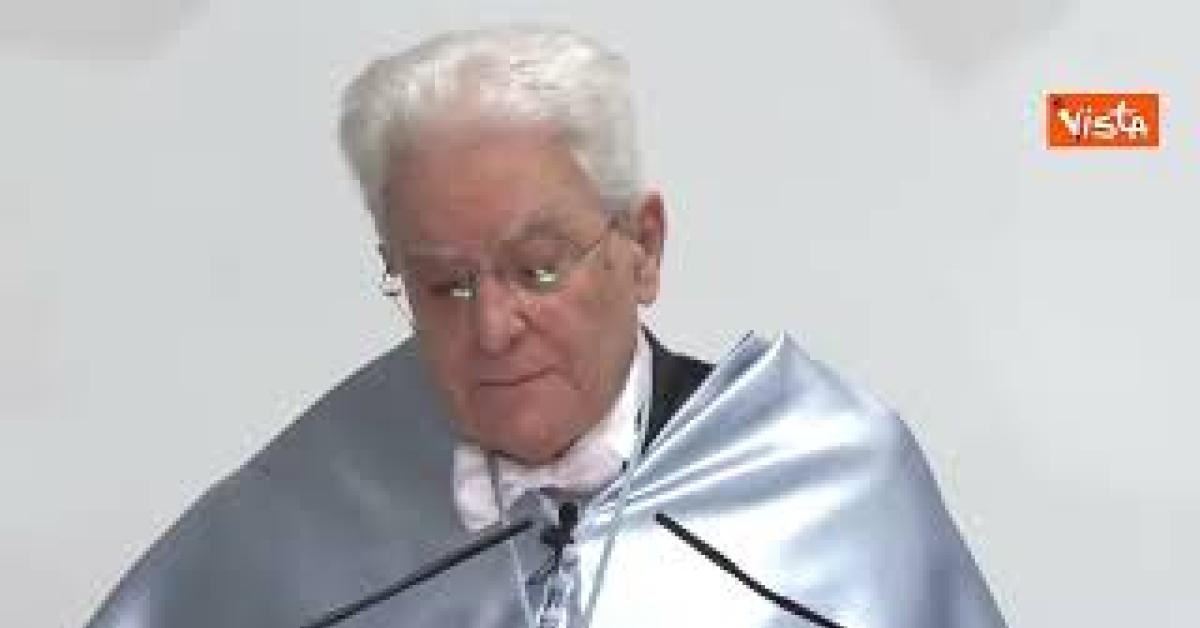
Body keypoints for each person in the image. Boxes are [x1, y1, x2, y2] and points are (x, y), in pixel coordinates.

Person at [86, 26, 1007, 628]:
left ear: (642, 247)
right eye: (444, 284)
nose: (493, 328)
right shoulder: (305, 509)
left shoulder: (826, 478)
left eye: (538, 269)